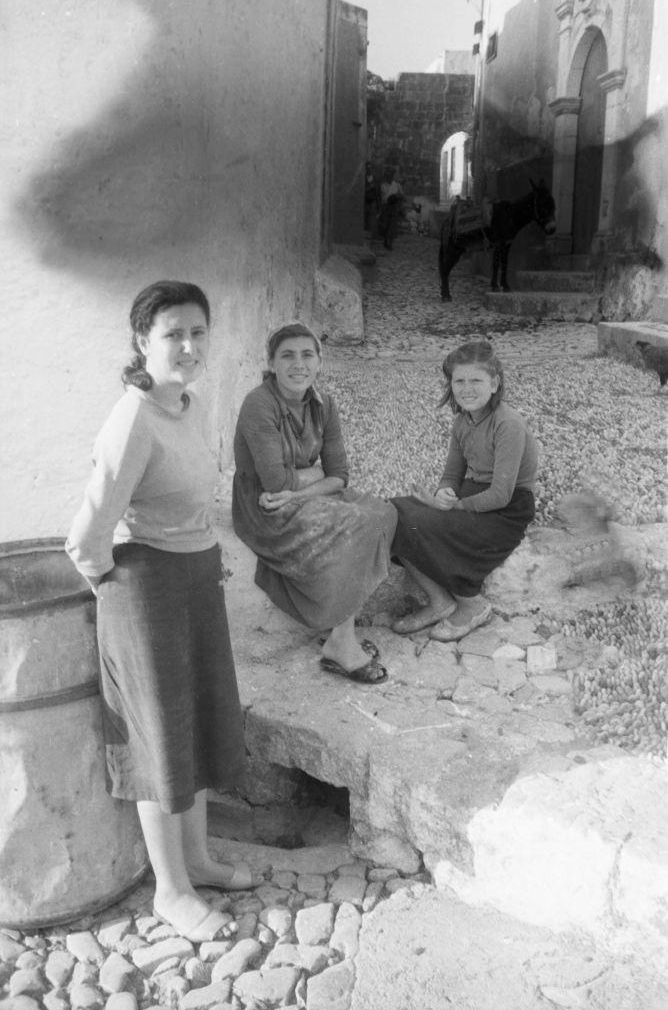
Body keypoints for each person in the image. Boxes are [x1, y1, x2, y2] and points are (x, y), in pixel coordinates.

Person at [66, 281, 257, 944]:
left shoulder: (191, 404)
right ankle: (170, 892)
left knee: (200, 716)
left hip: (197, 573)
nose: (188, 346)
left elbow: (196, 500)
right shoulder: (132, 420)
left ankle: (199, 860)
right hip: (143, 585)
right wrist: (115, 593)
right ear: (141, 343)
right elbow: (85, 537)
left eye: (198, 332)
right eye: (172, 333)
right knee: (157, 735)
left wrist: (205, 556)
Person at [232, 322, 398, 684]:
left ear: (319, 361)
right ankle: (341, 643)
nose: (298, 364)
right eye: (287, 355)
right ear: (271, 362)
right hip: (266, 506)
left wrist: (304, 486)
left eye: (307, 355)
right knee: (358, 523)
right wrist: (313, 475)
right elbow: (275, 482)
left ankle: (337, 626)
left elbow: (340, 474)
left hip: (300, 496)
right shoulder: (259, 404)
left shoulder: (324, 404)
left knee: (384, 513)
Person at [390, 340, 539, 640]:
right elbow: (451, 475)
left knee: (423, 522)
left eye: (476, 380)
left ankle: (471, 605)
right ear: (451, 384)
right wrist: (445, 492)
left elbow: (501, 494)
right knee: (392, 512)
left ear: (494, 384)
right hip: (473, 495)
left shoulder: (507, 424)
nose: (467, 388)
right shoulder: (462, 421)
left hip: (507, 510)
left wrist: (452, 507)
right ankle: (440, 602)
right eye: (459, 381)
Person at [377, 165, 403, 249]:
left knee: (392, 226)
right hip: (385, 207)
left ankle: (390, 243)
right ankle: (385, 239)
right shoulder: (382, 185)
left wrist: (397, 198)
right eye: (388, 174)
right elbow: (380, 197)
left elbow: (402, 196)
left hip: (394, 207)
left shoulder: (397, 185)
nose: (389, 176)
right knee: (385, 225)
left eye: (391, 174)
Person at [364, 161, 380, 235]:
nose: (369, 170)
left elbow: (378, 192)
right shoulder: (363, 178)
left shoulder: (375, 179)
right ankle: (365, 232)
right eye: (367, 168)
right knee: (365, 217)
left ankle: (371, 233)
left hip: (373, 200)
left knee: (372, 217)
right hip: (365, 200)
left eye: (370, 168)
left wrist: (378, 204)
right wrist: (370, 187)